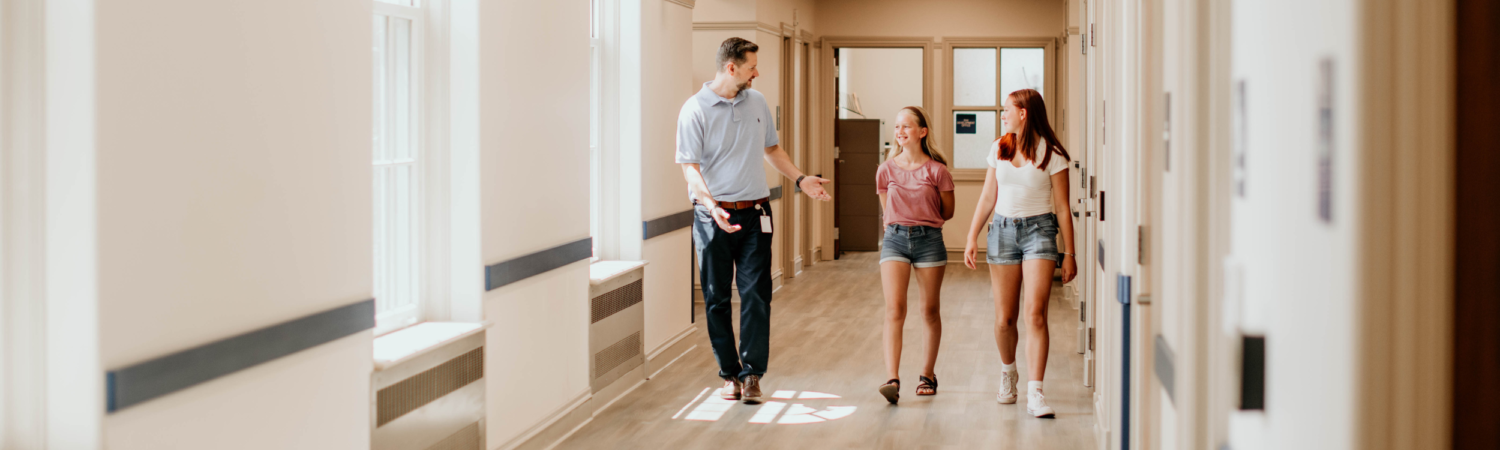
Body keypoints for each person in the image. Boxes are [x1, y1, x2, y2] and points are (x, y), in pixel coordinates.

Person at [677, 37, 831, 405]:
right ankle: (728, 374)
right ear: (731, 68)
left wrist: (800, 178)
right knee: (715, 298)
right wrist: (711, 206)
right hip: (712, 216)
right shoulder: (694, 109)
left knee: (756, 296)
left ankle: (751, 376)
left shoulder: (757, 102)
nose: (756, 74)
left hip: (757, 213)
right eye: (751, 68)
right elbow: (690, 169)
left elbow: (772, 149)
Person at [962, 88, 1077, 418]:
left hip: (1040, 232)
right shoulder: (999, 147)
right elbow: (987, 197)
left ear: (1023, 112)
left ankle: (1036, 392)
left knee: (1035, 314)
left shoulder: (1052, 153)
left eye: (1006, 110)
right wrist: (972, 236)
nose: (1002, 115)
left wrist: (1069, 253)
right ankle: (1008, 372)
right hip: (1001, 232)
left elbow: (1063, 207)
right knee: (1004, 319)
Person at [874, 107, 955, 404]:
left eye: (906, 126)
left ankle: (927, 375)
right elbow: (887, 211)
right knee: (894, 309)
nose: (900, 132)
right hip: (894, 240)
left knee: (929, 311)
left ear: (922, 132)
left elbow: (948, 212)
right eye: (897, 127)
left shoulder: (937, 171)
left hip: (929, 241)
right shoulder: (885, 169)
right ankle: (892, 379)